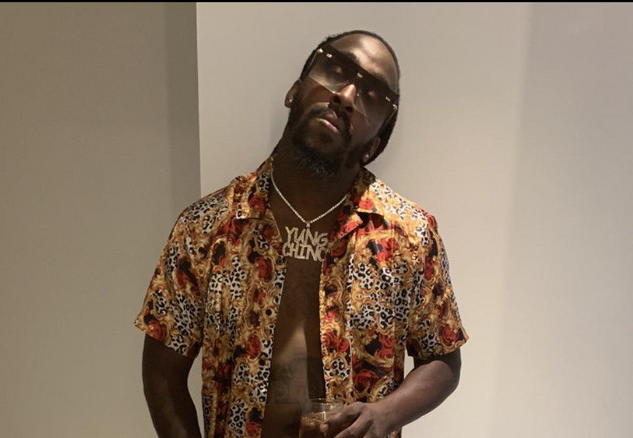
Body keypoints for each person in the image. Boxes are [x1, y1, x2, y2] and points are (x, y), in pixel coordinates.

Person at [135, 29, 468, 438]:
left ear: (374, 144)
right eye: (335, 70)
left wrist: (386, 414)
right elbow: (162, 373)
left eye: (372, 96)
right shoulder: (206, 228)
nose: (346, 95)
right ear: (295, 91)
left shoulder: (409, 237)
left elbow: (443, 357)